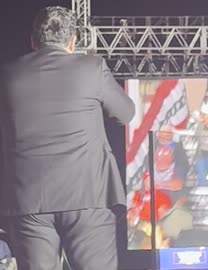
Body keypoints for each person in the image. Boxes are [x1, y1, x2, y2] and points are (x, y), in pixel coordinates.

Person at [0, 7, 135, 270]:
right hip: (88, 196)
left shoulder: (8, 75)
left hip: (28, 200)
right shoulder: (91, 68)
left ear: (33, 41)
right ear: (72, 41)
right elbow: (126, 113)